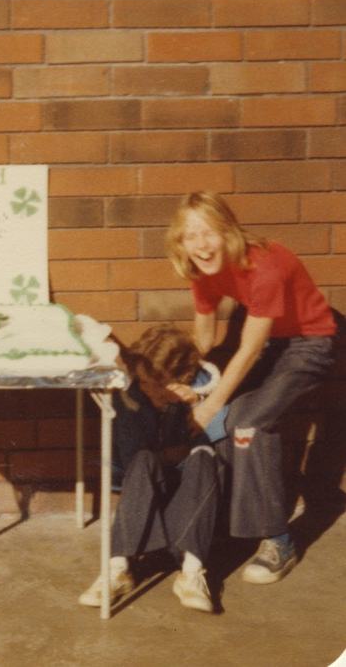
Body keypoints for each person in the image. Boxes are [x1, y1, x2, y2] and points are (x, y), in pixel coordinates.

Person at [166, 191, 335, 585]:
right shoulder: (202, 270)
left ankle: (279, 540)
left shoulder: (266, 265)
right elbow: (204, 335)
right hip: (270, 341)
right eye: (190, 235)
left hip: (309, 343)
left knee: (249, 422)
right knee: (230, 417)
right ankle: (231, 520)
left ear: (229, 232)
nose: (201, 244)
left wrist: (210, 405)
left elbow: (250, 349)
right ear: (180, 242)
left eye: (208, 232)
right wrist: (184, 376)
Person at [80, 323, 227, 613]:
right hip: (144, 506)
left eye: (156, 384)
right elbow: (132, 459)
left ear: (181, 380)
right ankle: (118, 568)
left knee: (203, 457)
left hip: (191, 508)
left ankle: (192, 572)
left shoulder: (204, 390)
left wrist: (197, 404)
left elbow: (222, 441)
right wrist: (168, 453)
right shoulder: (132, 397)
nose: (148, 389)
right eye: (144, 381)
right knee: (145, 459)